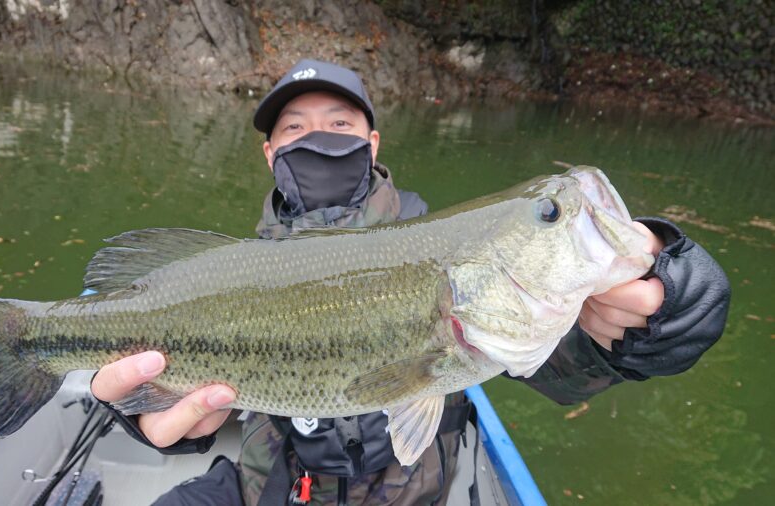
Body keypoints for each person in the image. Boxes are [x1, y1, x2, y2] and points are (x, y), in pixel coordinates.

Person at [90, 59, 730, 505]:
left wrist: (660, 320)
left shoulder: (451, 250)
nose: (318, 136)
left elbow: (558, 363)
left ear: (372, 143)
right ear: (269, 153)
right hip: (268, 491)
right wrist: (138, 412)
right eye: (295, 127)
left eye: (339, 123)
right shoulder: (229, 272)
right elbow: (172, 403)